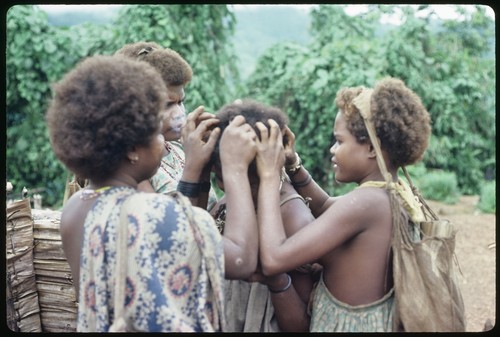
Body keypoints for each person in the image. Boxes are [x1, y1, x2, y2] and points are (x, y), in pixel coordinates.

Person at [47, 55, 260, 331]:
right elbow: (241, 260)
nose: (164, 140)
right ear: (133, 149)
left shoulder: (77, 206)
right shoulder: (153, 212)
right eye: (155, 134)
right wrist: (235, 168)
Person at [253, 77, 431, 332]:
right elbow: (326, 206)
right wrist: (293, 165)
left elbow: (273, 259)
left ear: (371, 148)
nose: (332, 150)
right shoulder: (391, 192)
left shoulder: (366, 203)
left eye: (340, 141)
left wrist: (270, 176)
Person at [208, 100, 318, 332]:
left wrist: (276, 279)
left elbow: (302, 325)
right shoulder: (230, 201)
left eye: (224, 177)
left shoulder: (293, 217)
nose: (224, 185)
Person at [114, 41, 218, 210]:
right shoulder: (131, 163)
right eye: (167, 105)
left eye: (181, 102)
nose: (179, 113)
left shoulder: (178, 149)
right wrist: (194, 164)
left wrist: (205, 162)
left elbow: (204, 215)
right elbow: (172, 226)